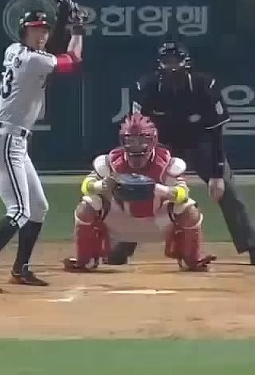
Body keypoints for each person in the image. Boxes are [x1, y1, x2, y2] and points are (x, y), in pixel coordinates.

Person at [108, 40, 255, 266]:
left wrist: (217, 174)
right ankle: (123, 246)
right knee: (139, 189)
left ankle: (254, 247)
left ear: (186, 63)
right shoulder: (146, 87)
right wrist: (141, 164)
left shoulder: (205, 86)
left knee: (228, 190)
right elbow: (136, 129)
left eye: (175, 61)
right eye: (166, 61)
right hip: (161, 146)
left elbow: (216, 132)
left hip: (201, 143)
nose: (171, 66)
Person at [0, 0, 86, 293]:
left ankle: (20, 268)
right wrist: (77, 29)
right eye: (35, 29)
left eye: (44, 29)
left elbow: (50, 52)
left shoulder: (14, 51)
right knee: (19, 211)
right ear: (24, 32)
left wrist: (62, 20)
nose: (41, 34)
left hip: (12, 141)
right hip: (6, 142)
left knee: (38, 208)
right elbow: (72, 61)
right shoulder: (33, 60)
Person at [63, 113, 216, 272]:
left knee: (188, 209)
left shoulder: (167, 163)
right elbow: (86, 186)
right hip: (120, 220)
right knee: (88, 205)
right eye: (131, 140)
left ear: (152, 140)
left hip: (157, 222)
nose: (136, 145)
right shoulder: (110, 162)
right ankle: (85, 259)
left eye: (141, 140)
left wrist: (159, 190)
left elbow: (183, 193)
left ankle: (190, 258)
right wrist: (101, 185)